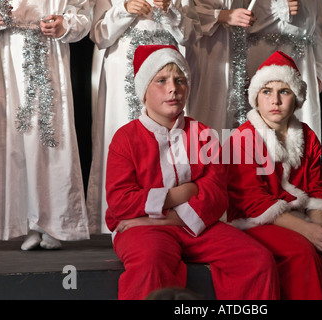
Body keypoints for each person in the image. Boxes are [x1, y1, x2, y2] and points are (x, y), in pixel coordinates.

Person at [105, 44, 280, 300]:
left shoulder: (203, 134)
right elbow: (121, 201)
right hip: (143, 229)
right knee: (151, 262)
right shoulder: (125, 138)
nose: (173, 88)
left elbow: (215, 193)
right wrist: (181, 193)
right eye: (161, 81)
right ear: (143, 91)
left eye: (180, 80)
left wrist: (168, 217)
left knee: (257, 259)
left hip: (195, 225)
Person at [226, 50, 322, 299]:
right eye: (267, 91)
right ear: (256, 98)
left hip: (304, 219)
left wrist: (318, 227)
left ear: (296, 99)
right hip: (258, 222)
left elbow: (318, 189)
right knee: (302, 252)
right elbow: (250, 200)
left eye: (284, 91)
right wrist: (307, 232)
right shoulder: (242, 138)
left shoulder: (307, 135)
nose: (275, 100)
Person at [87, 0, 201, 233]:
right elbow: (99, 35)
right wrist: (124, 10)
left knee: (167, 137)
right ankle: (122, 217)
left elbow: (190, 34)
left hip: (167, 71)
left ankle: (169, 211)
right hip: (124, 70)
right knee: (126, 135)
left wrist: (171, 10)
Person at [0, 1, 90, 249]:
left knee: (46, 138)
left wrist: (65, 25)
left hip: (48, 52)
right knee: (11, 138)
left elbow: (83, 14)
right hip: (6, 53)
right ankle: (22, 223)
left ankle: (49, 222)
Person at [244, 0, 322, 140]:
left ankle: (302, 161)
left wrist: (320, 70)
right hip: (262, 51)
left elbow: (319, 26)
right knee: (260, 121)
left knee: (302, 120)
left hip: (302, 58)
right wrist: (276, 9)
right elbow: (243, 15)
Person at [186, 0, 255, 134]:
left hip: (236, 48)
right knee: (204, 110)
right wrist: (221, 15)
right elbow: (183, 14)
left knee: (234, 111)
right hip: (205, 49)